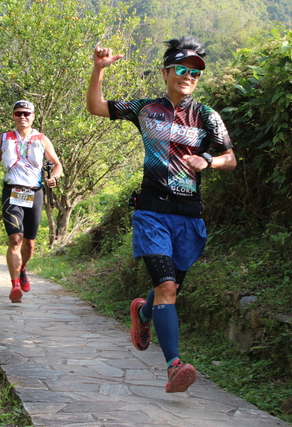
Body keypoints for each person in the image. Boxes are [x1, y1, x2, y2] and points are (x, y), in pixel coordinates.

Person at [86, 36, 237, 393]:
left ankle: (142, 313)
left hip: (189, 217)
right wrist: (98, 70)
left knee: (170, 286)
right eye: (182, 69)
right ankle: (174, 365)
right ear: (166, 72)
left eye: (195, 73)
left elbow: (230, 158)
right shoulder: (146, 109)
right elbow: (96, 107)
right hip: (152, 212)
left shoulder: (207, 116)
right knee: (167, 287)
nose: (188, 76)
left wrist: (209, 161)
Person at [0, 100, 62, 303]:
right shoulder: (5, 138)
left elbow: (57, 165)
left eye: (26, 113)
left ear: (33, 116)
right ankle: (15, 286)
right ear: (13, 116)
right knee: (15, 239)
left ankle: (22, 269)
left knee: (29, 244)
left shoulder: (41, 139)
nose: (22, 117)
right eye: (19, 113)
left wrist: (54, 177)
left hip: (34, 192)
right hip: (12, 192)